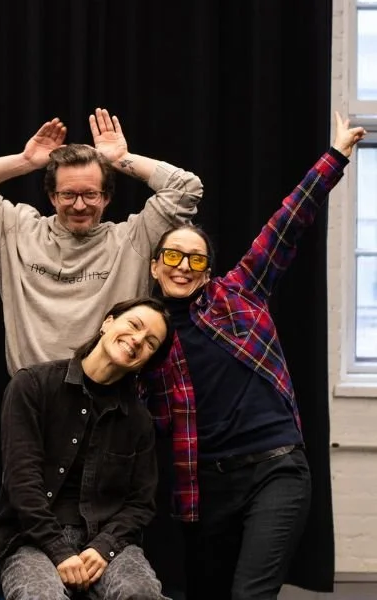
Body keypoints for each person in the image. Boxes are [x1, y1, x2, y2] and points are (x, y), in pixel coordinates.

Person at [140, 113, 366, 600]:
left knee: (251, 595)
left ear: (207, 271)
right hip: (203, 488)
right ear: (155, 266)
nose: (183, 267)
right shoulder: (145, 334)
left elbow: (287, 224)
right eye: (173, 257)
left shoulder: (238, 294)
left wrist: (336, 157)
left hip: (276, 468)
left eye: (196, 259)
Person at [0, 110, 203, 374]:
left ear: (107, 197)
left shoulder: (133, 240)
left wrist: (121, 159)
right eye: (68, 194)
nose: (79, 205)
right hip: (33, 395)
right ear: (52, 197)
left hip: (108, 394)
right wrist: (25, 161)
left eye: (90, 194)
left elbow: (186, 188)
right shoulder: (17, 230)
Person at [0, 297, 174, 600]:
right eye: (134, 325)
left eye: (151, 342)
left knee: (142, 594)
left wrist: (104, 547)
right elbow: (22, 484)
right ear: (108, 322)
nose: (137, 340)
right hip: (30, 538)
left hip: (106, 542)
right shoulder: (32, 385)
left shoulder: (139, 420)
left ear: (149, 359)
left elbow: (141, 503)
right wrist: (59, 550)